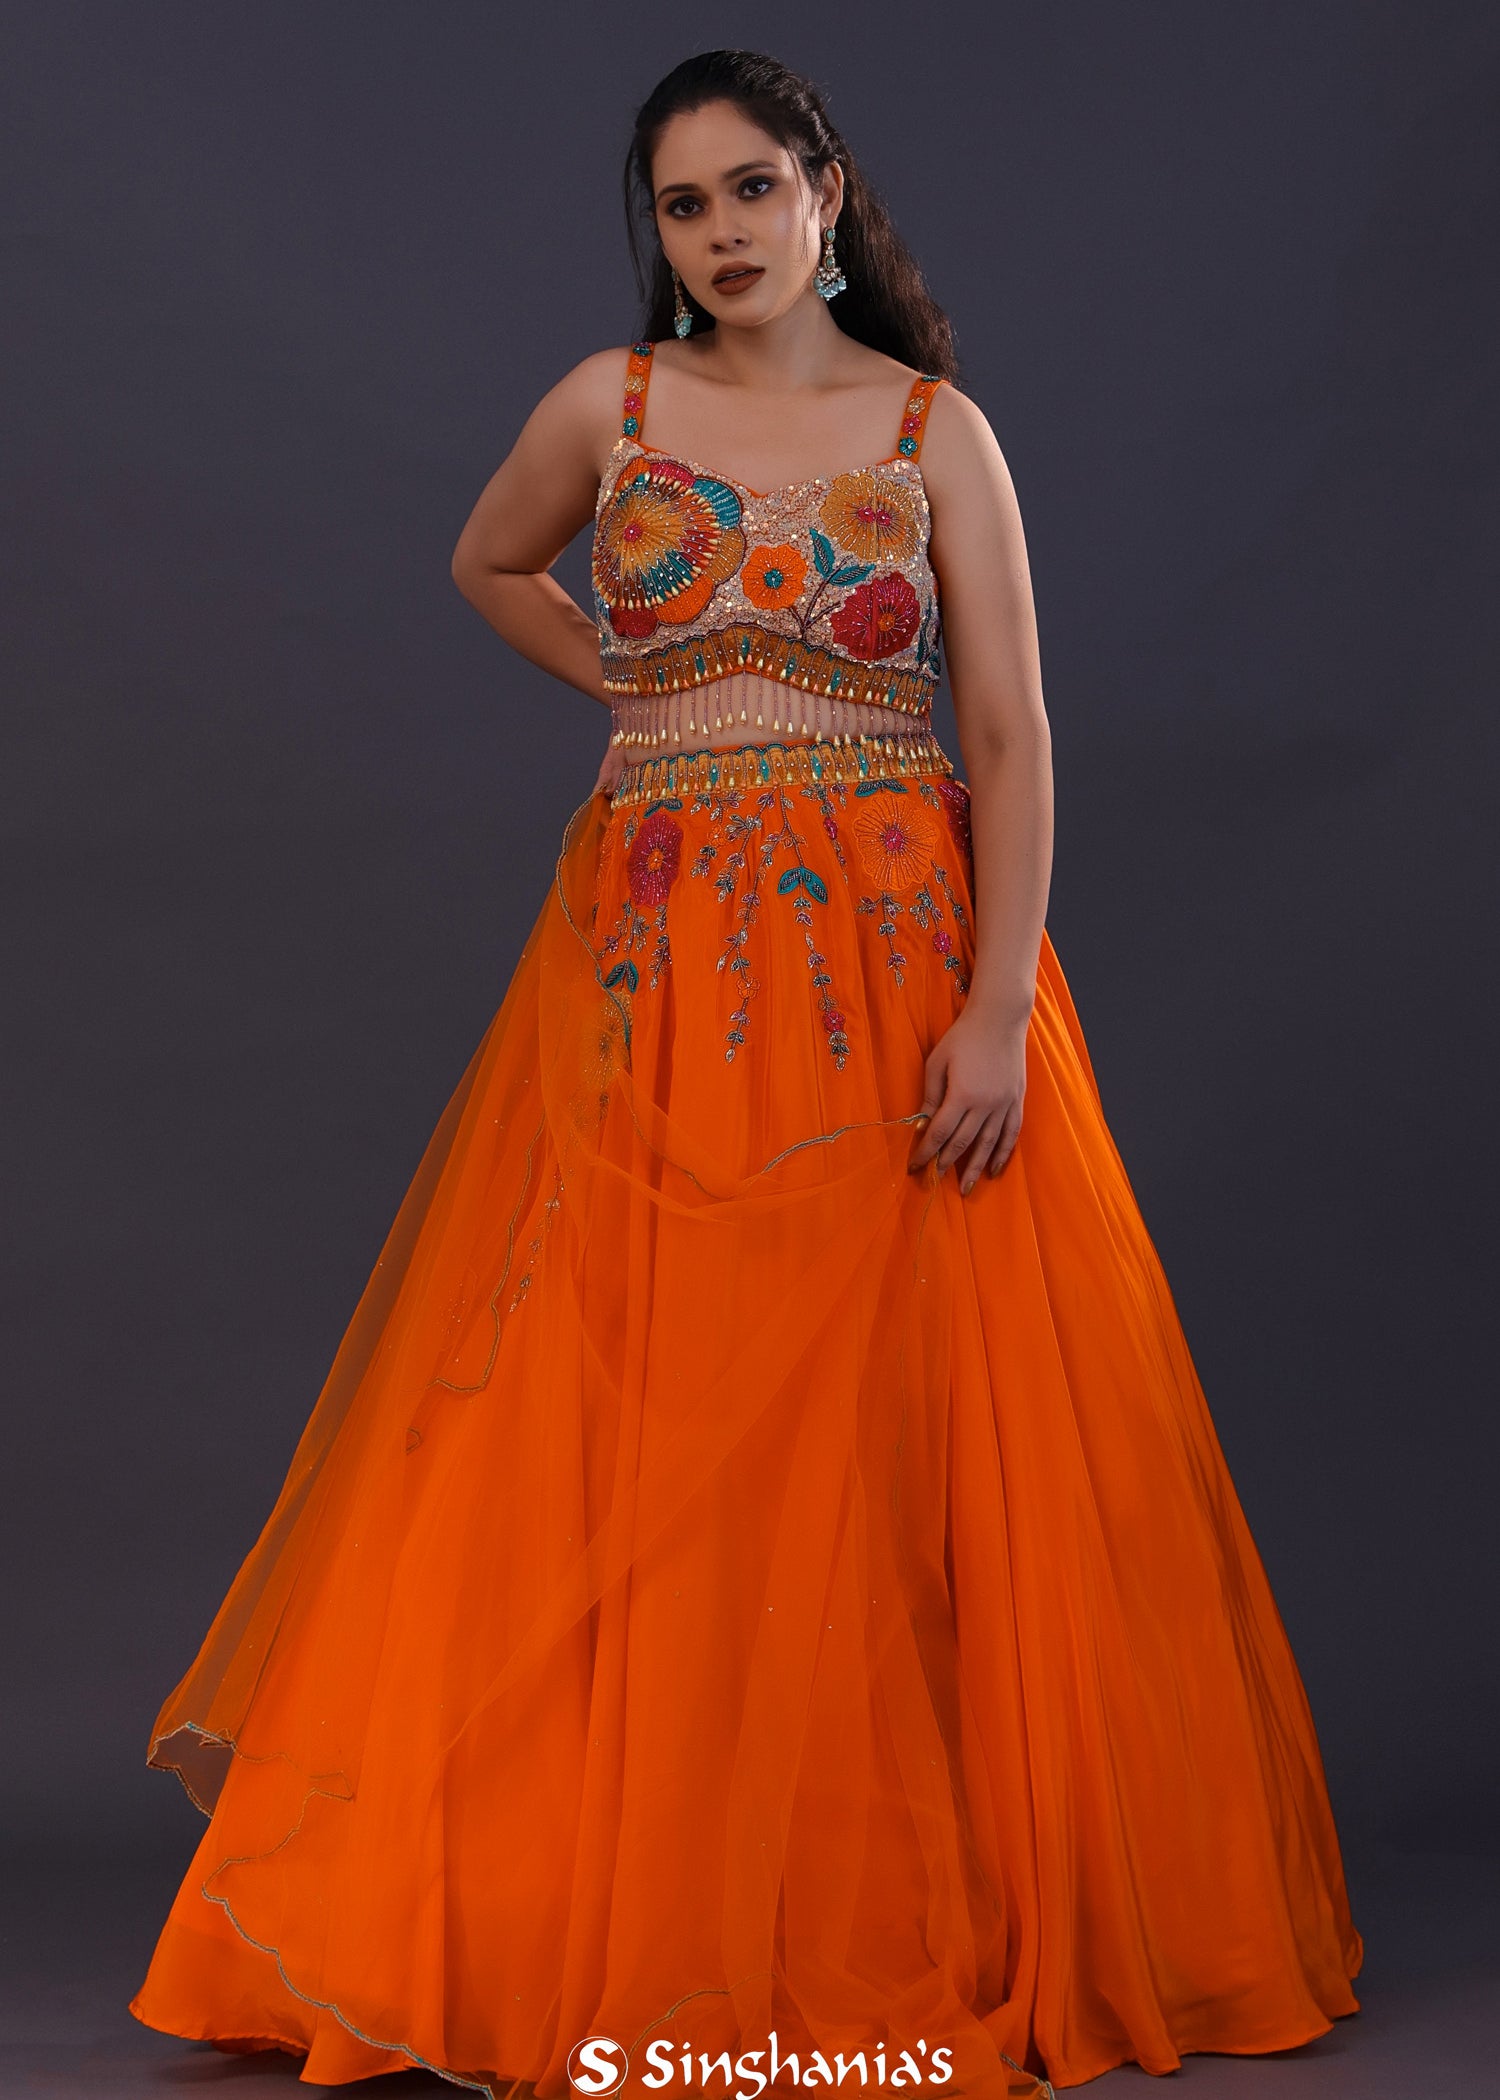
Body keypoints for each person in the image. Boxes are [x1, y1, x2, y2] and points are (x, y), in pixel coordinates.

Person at [128, 48, 1363, 2100]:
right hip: (659, 972)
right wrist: (660, 695)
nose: (719, 233)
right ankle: (643, 1914)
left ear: (826, 192)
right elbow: (487, 562)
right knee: (646, 1417)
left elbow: (1012, 733)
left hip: (900, 969)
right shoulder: (606, 412)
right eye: (683, 204)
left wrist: (997, 1004)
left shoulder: (934, 431)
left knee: (892, 1426)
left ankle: (892, 1906)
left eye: (752, 190)